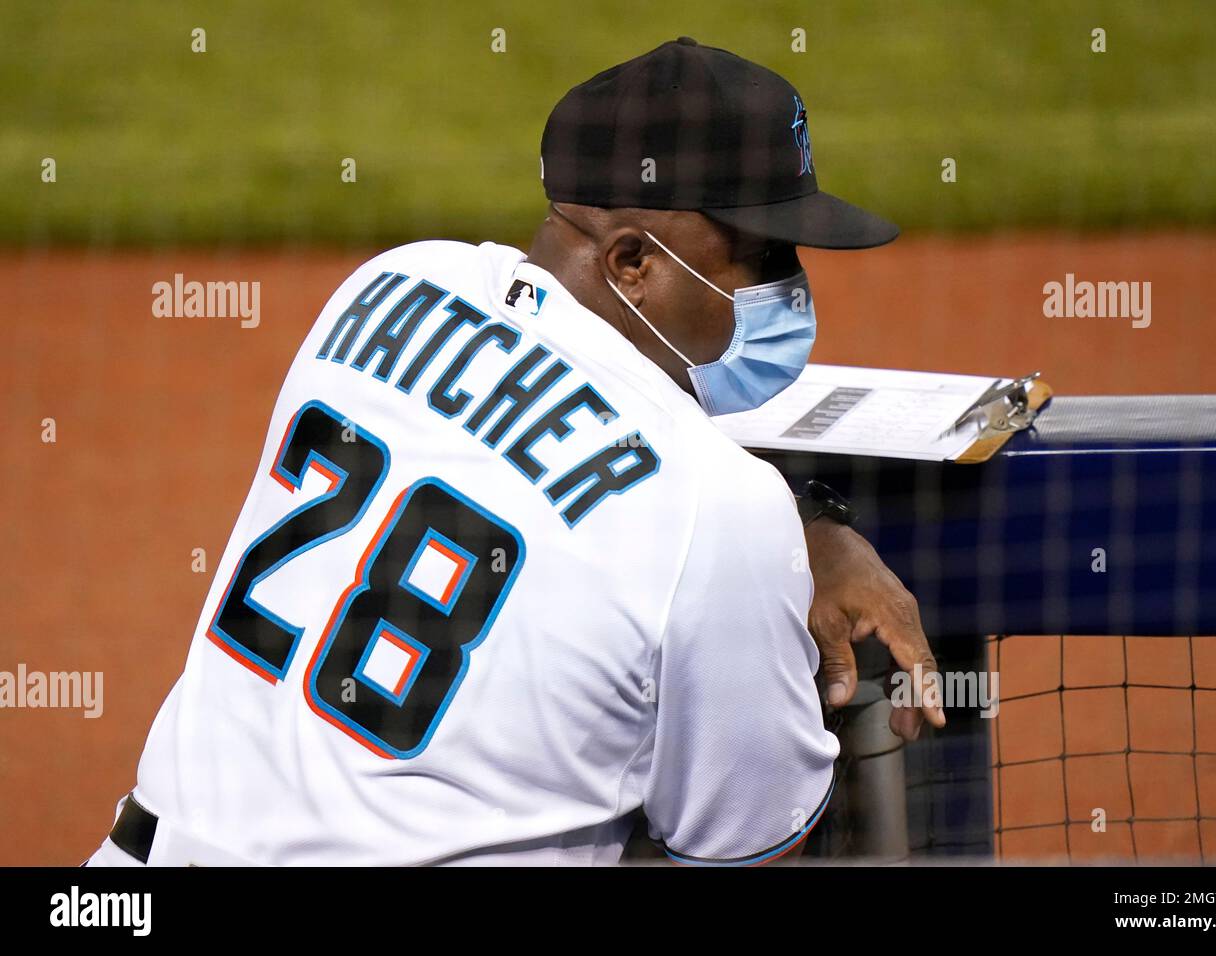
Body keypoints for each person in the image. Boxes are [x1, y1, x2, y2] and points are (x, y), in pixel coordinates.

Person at [85, 37, 942, 868]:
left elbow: (519, 462)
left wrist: (783, 537)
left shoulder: (393, 281)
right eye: (761, 254)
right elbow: (745, 843)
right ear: (633, 261)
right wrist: (785, 552)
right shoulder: (720, 509)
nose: (788, 284)